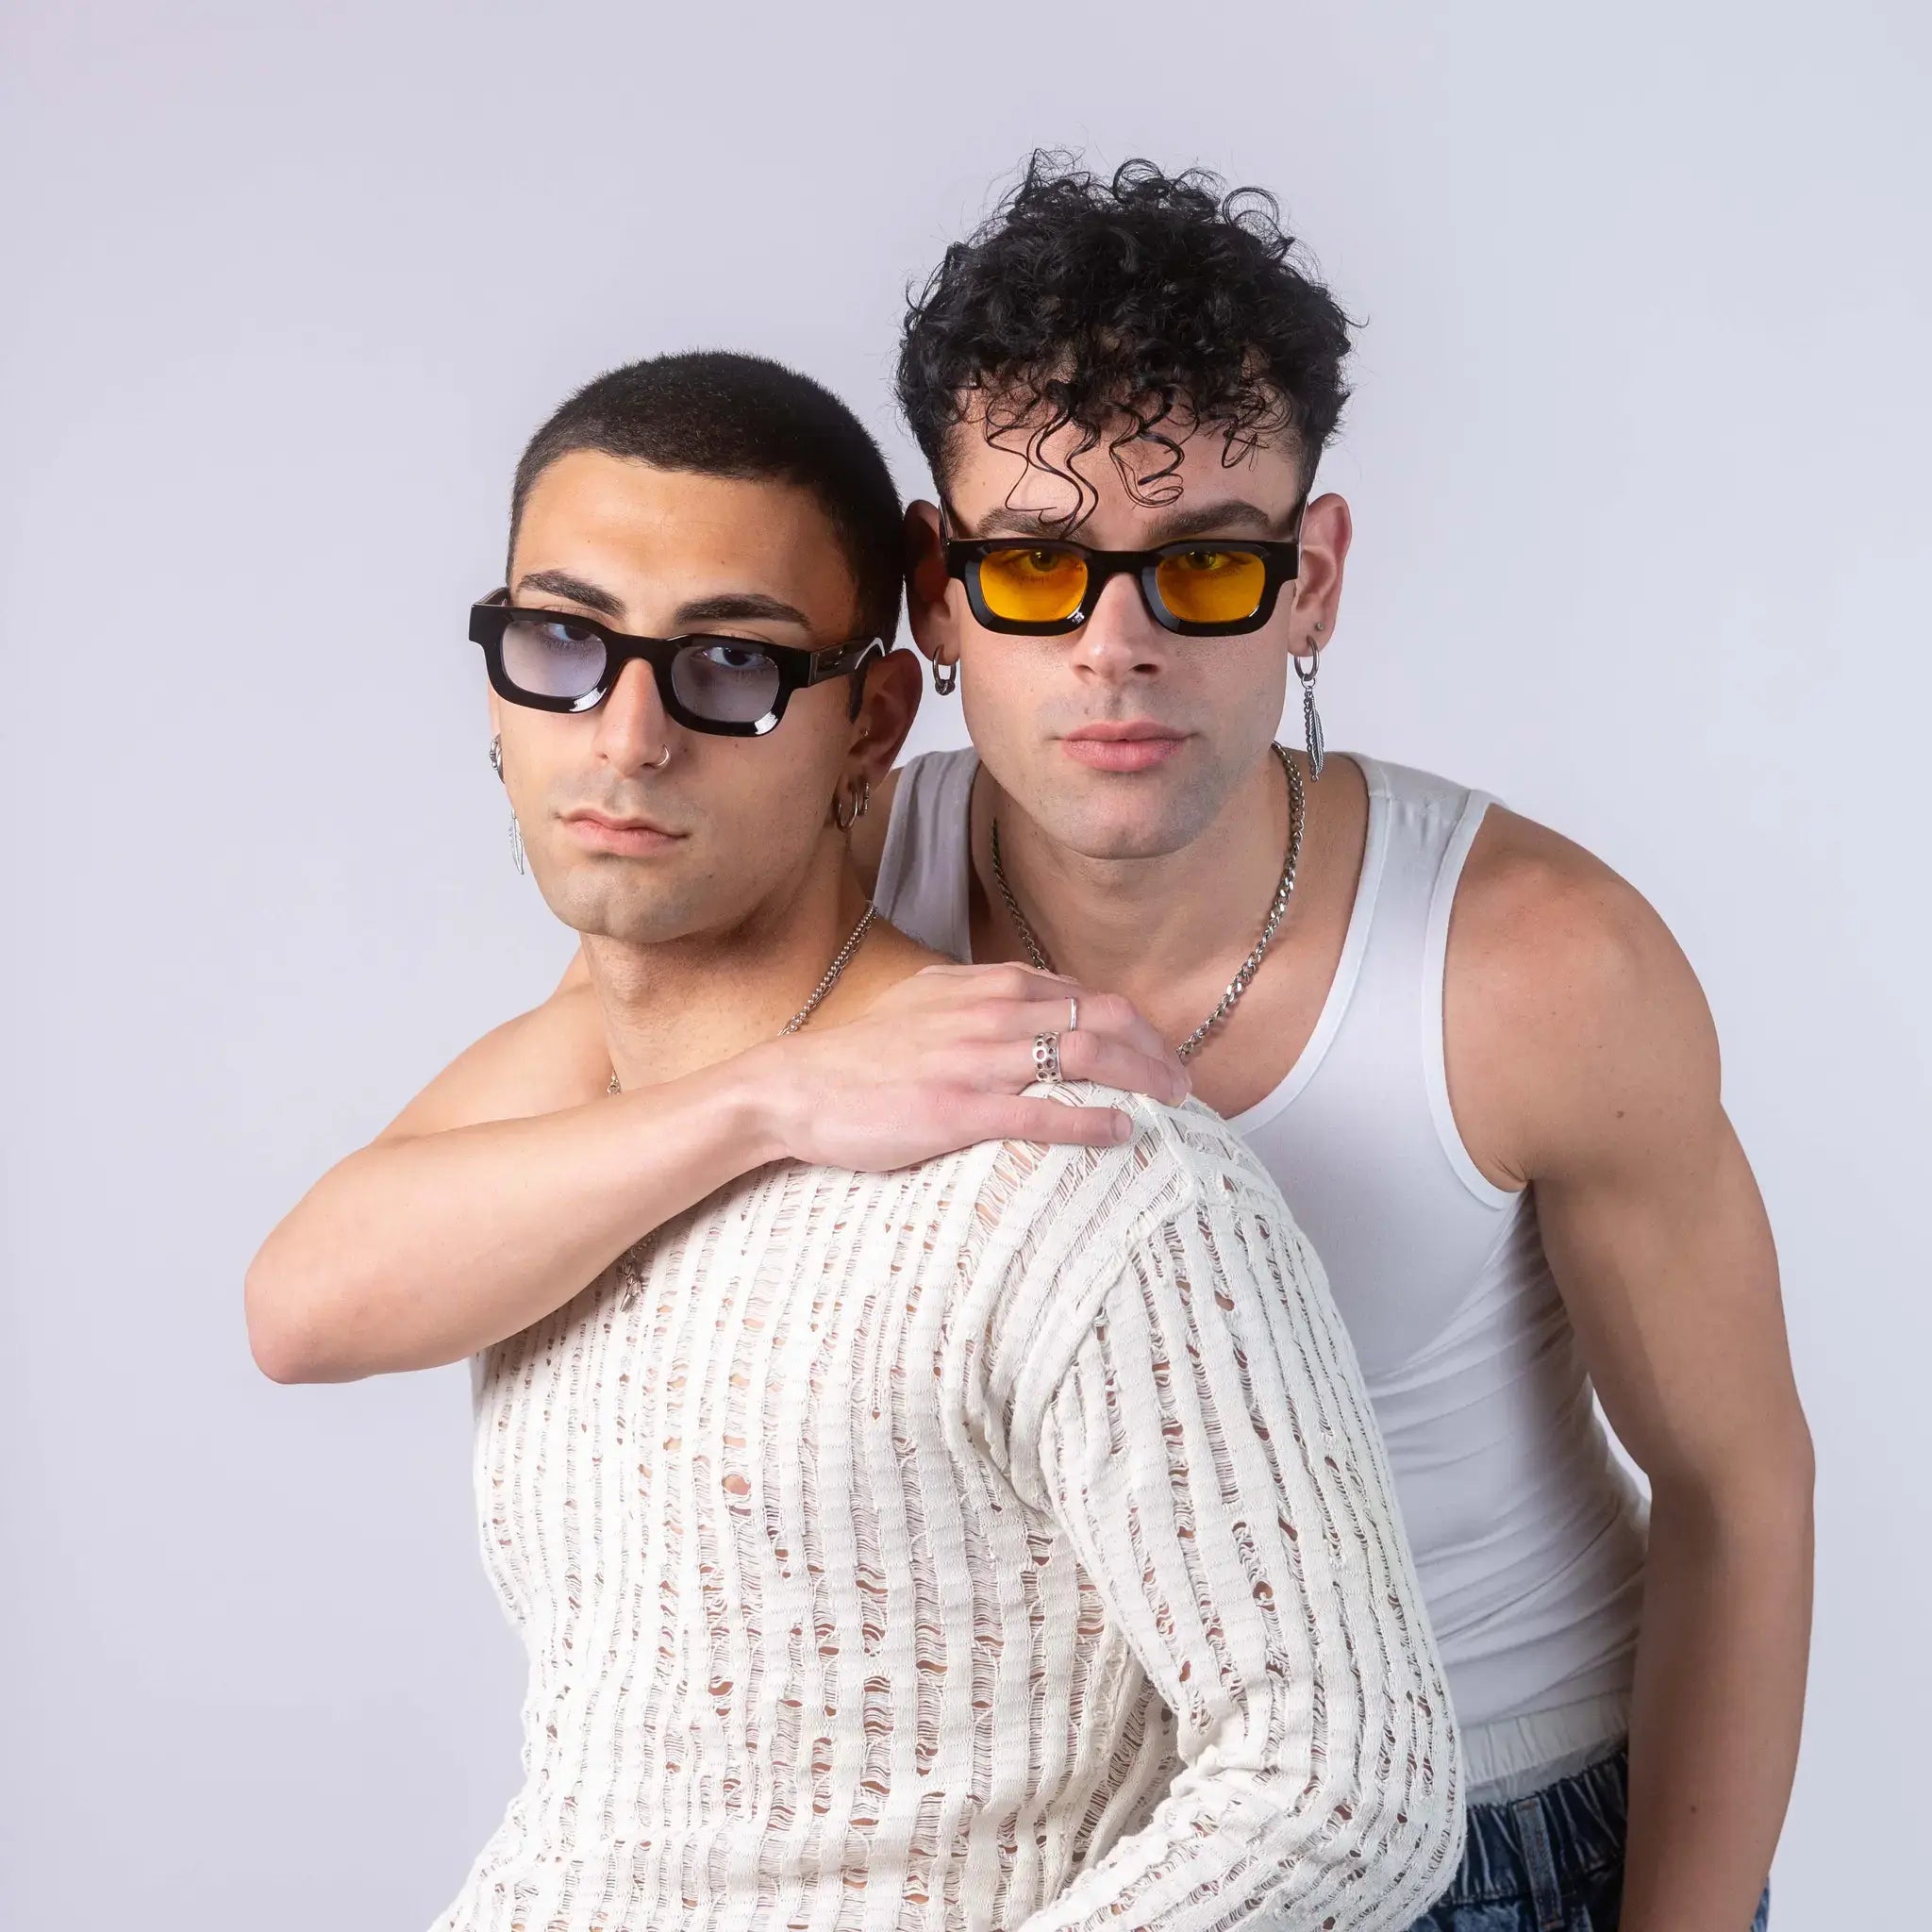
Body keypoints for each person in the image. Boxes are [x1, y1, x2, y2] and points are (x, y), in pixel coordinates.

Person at [539, 158, 1806, 1932]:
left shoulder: (1531, 965)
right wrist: (765, 1092)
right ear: (937, 586)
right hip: (1049, 1856)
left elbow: (1740, 1492)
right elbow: (358, 1262)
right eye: (1042, 564)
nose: (1117, 647)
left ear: (1313, 581)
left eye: (1203, 565)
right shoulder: (836, 883)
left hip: (1490, 1832)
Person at [246, 349, 1464, 1931]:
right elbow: (299, 1308)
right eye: (563, 642)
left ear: (872, 718)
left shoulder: (1072, 1167)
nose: (626, 738)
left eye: (732, 668)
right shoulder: (594, 1109)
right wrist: (770, 1103)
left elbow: (1345, 1788)